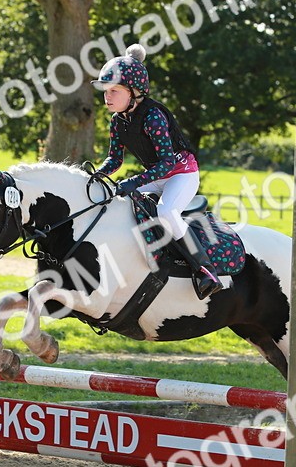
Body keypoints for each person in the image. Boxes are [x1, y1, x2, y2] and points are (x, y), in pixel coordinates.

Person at [92, 44, 223, 300]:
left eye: (114, 90)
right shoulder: (117, 121)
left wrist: (134, 181)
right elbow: (114, 159)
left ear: (134, 92)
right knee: (118, 201)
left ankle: (205, 270)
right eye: (105, 91)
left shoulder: (153, 117)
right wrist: (97, 175)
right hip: (157, 175)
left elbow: (167, 163)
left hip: (181, 173)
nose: (107, 96)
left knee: (166, 212)